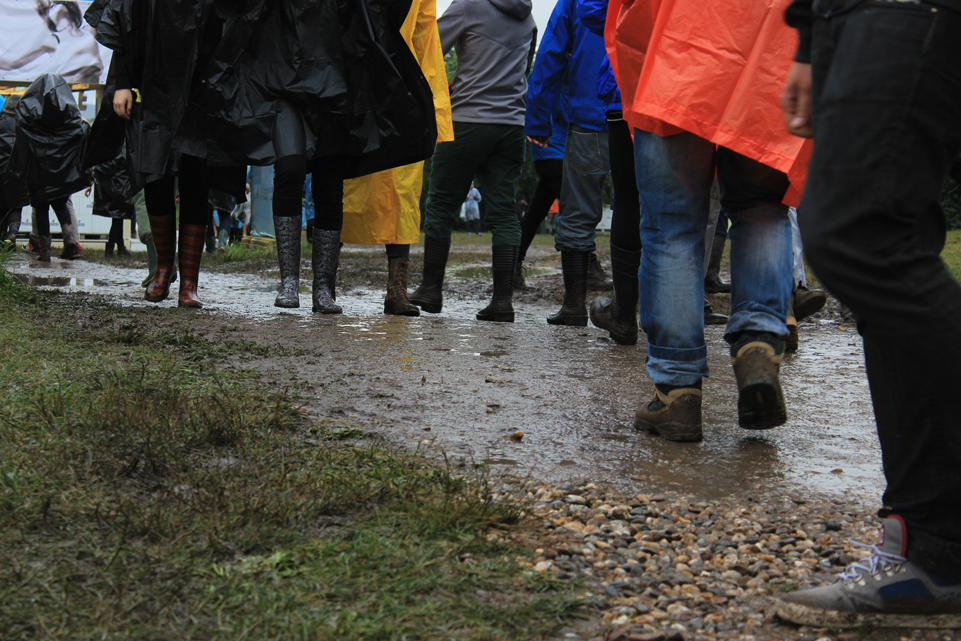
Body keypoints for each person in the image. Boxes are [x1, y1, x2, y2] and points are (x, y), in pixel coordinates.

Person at [774, 0, 961, 628]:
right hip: (848, 15)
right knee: (889, 242)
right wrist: (810, 37)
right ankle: (934, 549)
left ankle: (936, 547)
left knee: (862, 234)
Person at [607, 0, 811, 442]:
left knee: (671, 227)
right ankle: (758, 345)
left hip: (677, 52)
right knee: (762, 208)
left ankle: (676, 393)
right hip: (769, 54)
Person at [409, 0, 537, 323]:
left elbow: (430, 49)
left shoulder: (468, 6)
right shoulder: (529, 19)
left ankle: (431, 289)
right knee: (504, 213)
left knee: (441, 204)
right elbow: (524, 71)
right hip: (512, 126)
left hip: (467, 121)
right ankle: (502, 301)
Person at [340, 0, 454, 318]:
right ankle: (325, 282)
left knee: (402, 197)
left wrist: (434, 112)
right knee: (343, 185)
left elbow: (427, 43)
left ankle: (397, 289)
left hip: (403, 95)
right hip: (353, 87)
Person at [526, 0, 617, 327]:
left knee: (577, 214)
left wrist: (538, 118)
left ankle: (574, 305)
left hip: (589, 118)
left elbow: (550, 55)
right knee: (642, 211)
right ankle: (628, 309)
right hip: (643, 118)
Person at [11, 74, 90, 264]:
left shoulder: (30, 119)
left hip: (38, 173)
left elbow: (21, 140)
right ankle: (70, 242)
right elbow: (82, 134)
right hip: (61, 173)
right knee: (61, 205)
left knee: (41, 209)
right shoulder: (70, 121)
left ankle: (45, 251)